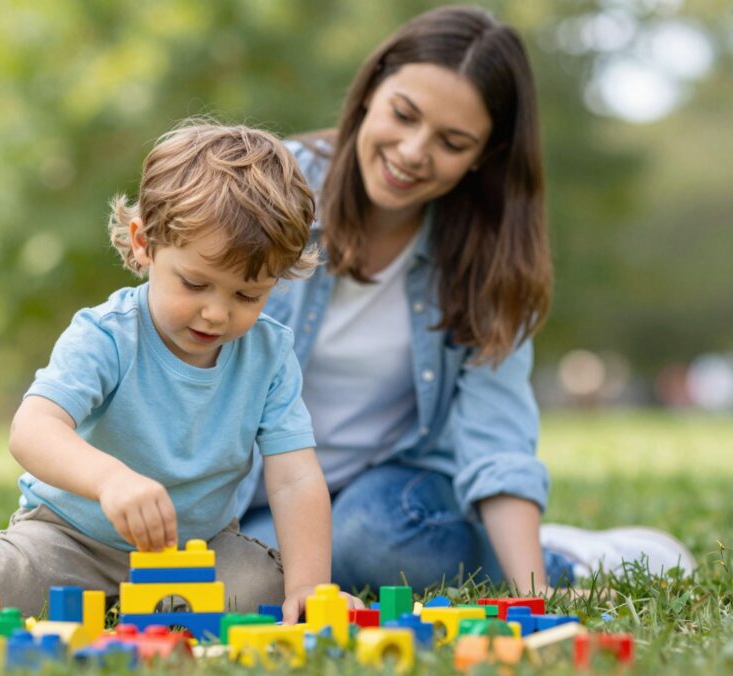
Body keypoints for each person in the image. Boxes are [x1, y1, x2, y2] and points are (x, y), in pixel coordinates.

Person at [0, 121, 363, 622]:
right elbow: (33, 429)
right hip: (72, 538)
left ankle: (155, 602)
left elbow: (294, 476)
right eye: (195, 284)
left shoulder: (268, 354)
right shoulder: (108, 334)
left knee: (264, 590)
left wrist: (311, 586)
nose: (217, 313)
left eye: (248, 294)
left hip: (194, 552)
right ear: (146, 245)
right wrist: (111, 480)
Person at [236, 5, 695, 594]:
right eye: (404, 115)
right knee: (251, 578)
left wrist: (533, 596)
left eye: (452, 141)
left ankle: (556, 562)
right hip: (265, 494)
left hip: (391, 497)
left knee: (372, 543)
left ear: (483, 154)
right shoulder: (268, 191)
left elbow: (495, 438)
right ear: (372, 88)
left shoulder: (489, 256)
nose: (412, 152)